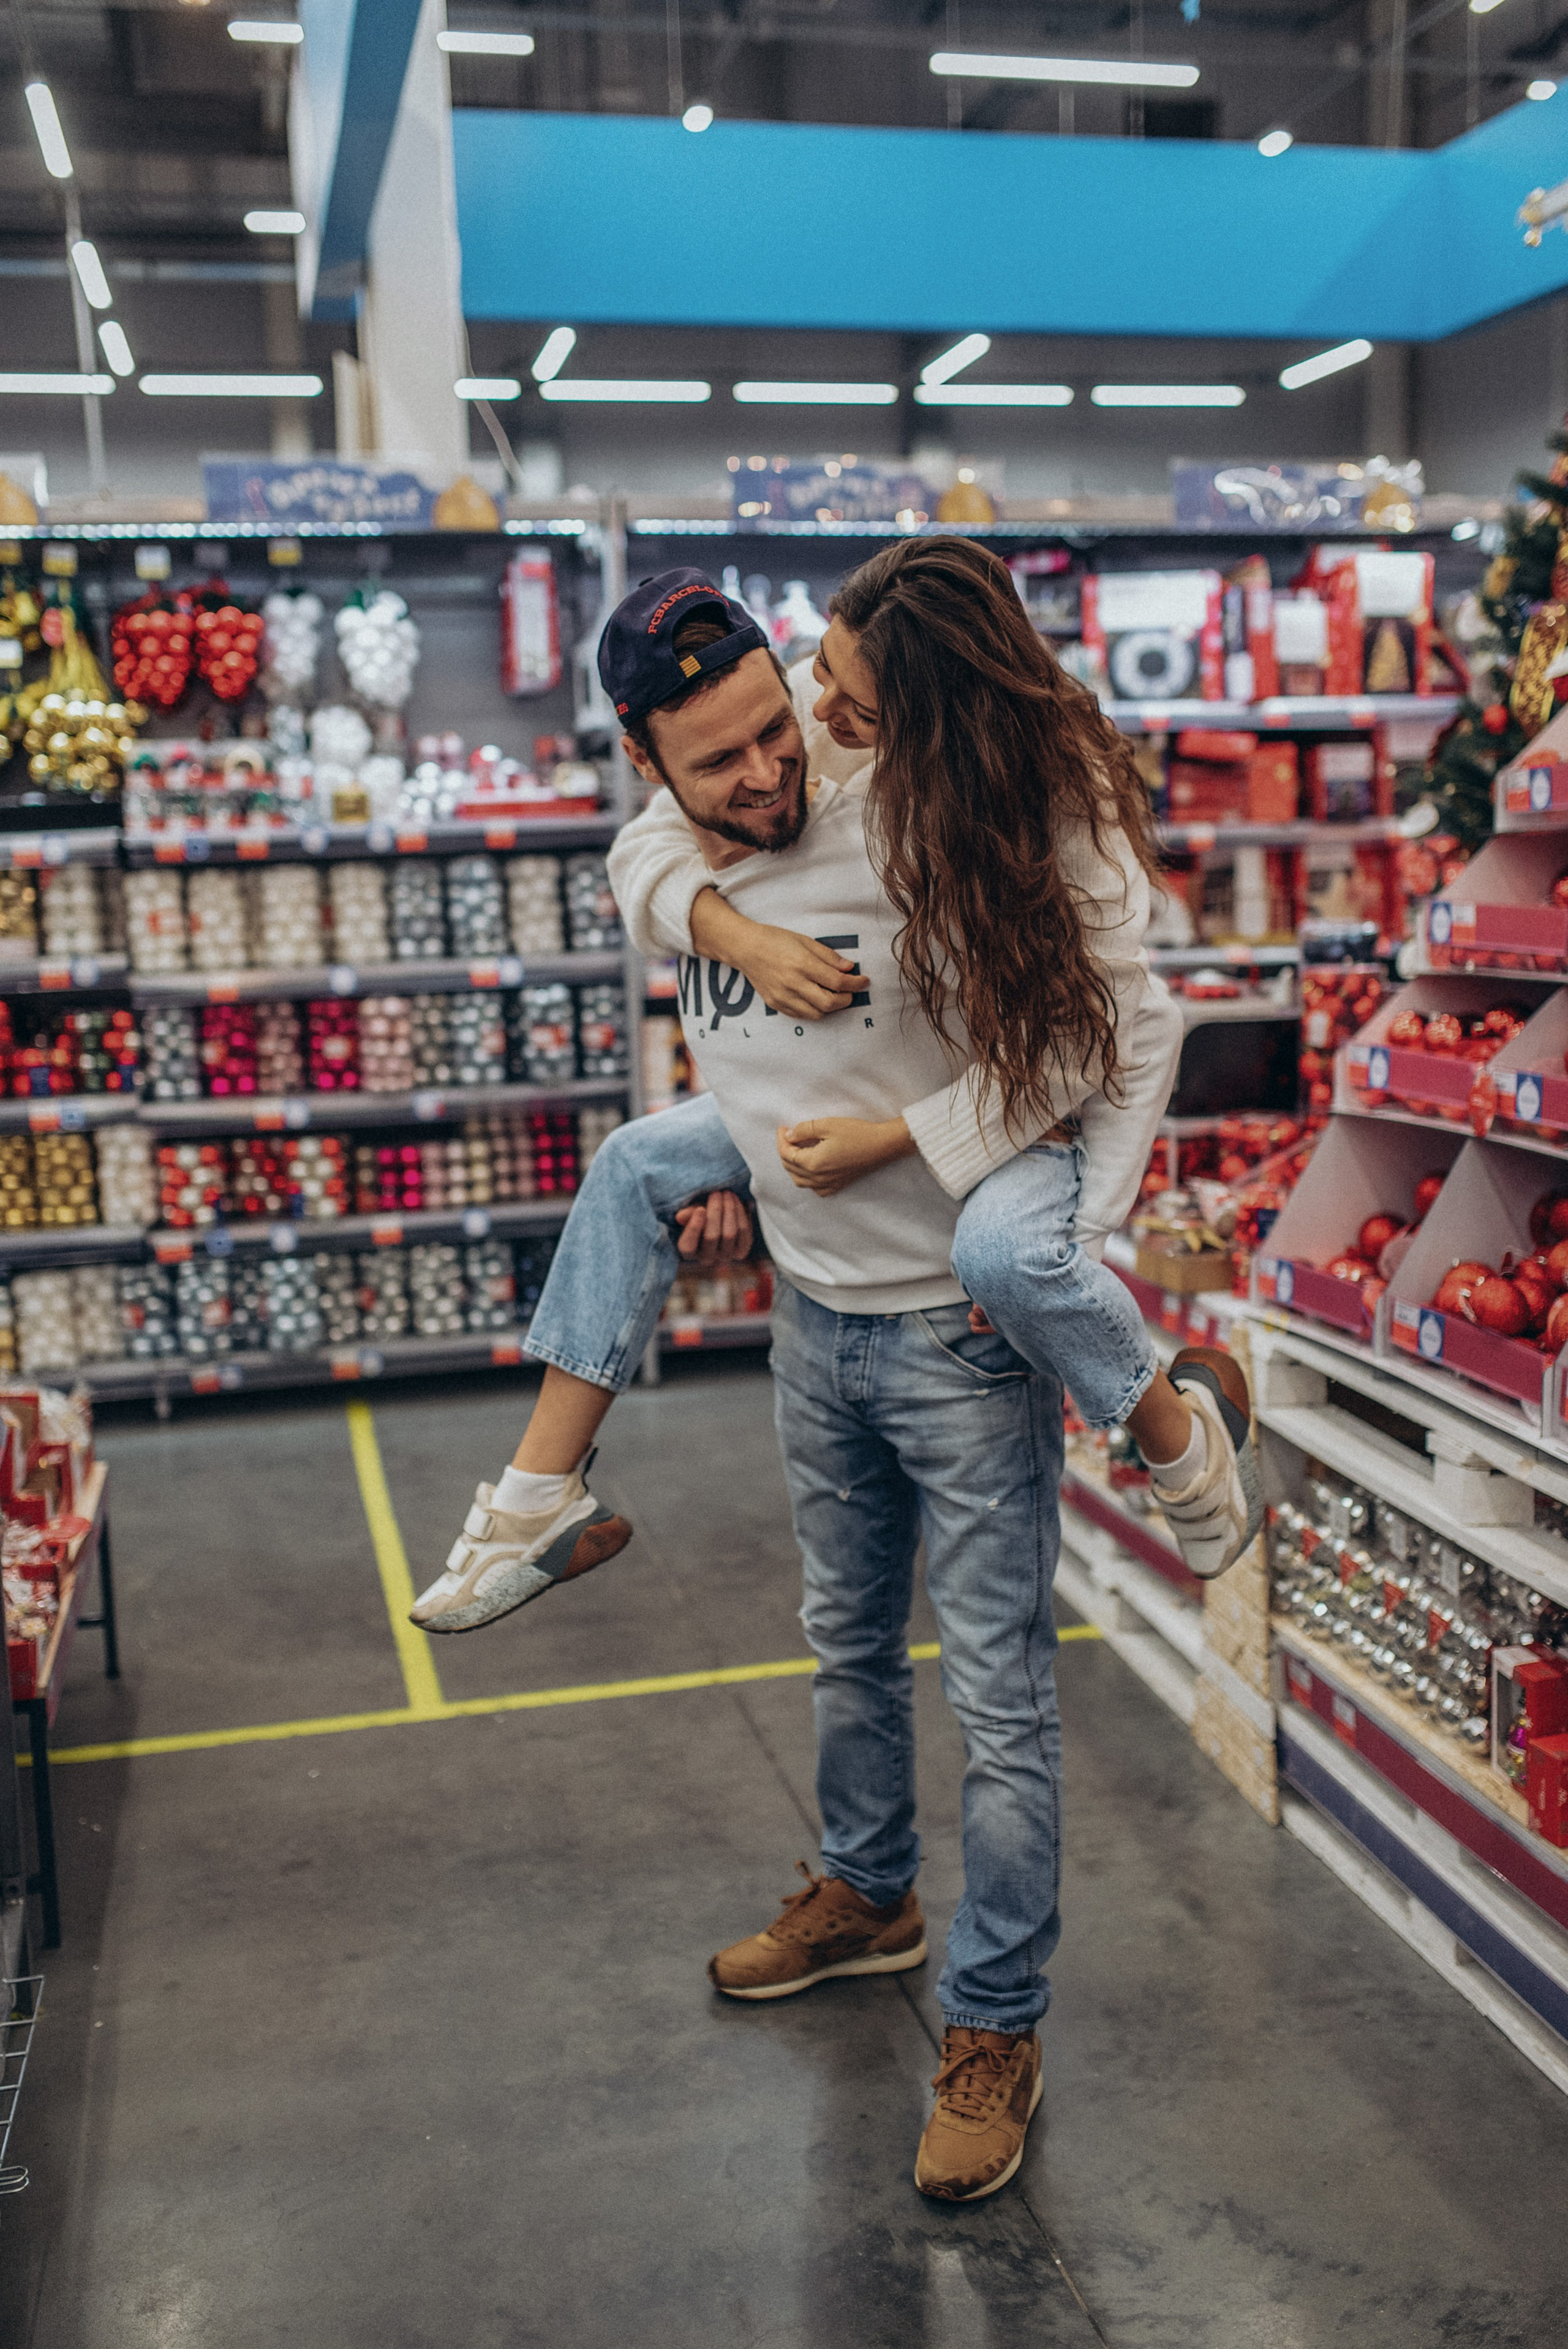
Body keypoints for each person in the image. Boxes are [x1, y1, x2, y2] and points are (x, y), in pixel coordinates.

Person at [409, 557, 1262, 2204]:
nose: (779, 762)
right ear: (655, 755)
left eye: (794, 726)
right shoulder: (711, 809)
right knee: (844, 1646)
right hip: (817, 1314)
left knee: (999, 1700)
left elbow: (1103, 1032)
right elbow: (636, 857)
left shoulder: (926, 784)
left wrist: (1017, 1209)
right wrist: (721, 913)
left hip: (958, 1315)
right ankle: (868, 1890)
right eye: (725, 750)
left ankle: (997, 2020)